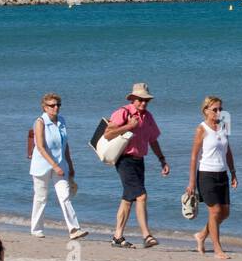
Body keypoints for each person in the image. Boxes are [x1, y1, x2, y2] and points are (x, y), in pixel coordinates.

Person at [103, 83, 169, 249]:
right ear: (132, 99)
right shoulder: (122, 112)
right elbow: (107, 134)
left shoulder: (148, 117)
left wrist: (162, 159)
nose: (143, 103)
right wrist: (129, 126)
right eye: (140, 100)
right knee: (141, 196)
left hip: (139, 161)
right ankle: (146, 235)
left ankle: (117, 237)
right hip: (124, 160)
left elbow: (153, 140)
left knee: (128, 199)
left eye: (146, 100)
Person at [29, 93, 88, 241]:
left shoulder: (62, 121)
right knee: (41, 198)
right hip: (42, 165)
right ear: (45, 107)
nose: (56, 108)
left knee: (65, 196)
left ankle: (74, 229)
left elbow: (65, 144)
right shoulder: (40, 122)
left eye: (58, 105)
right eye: (52, 105)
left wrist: (70, 164)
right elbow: (41, 147)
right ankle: (36, 229)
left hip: (61, 164)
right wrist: (54, 165)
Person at [188, 96, 237, 259]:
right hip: (206, 174)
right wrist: (192, 182)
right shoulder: (201, 129)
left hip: (222, 173)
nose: (218, 112)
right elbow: (194, 156)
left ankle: (201, 235)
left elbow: (228, 151)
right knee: (215, 211)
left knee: (225, 213)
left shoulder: (224, 125)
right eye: (215, 109)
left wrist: (233, 172)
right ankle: (217, 249)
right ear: (206, 110)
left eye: (220, 109)